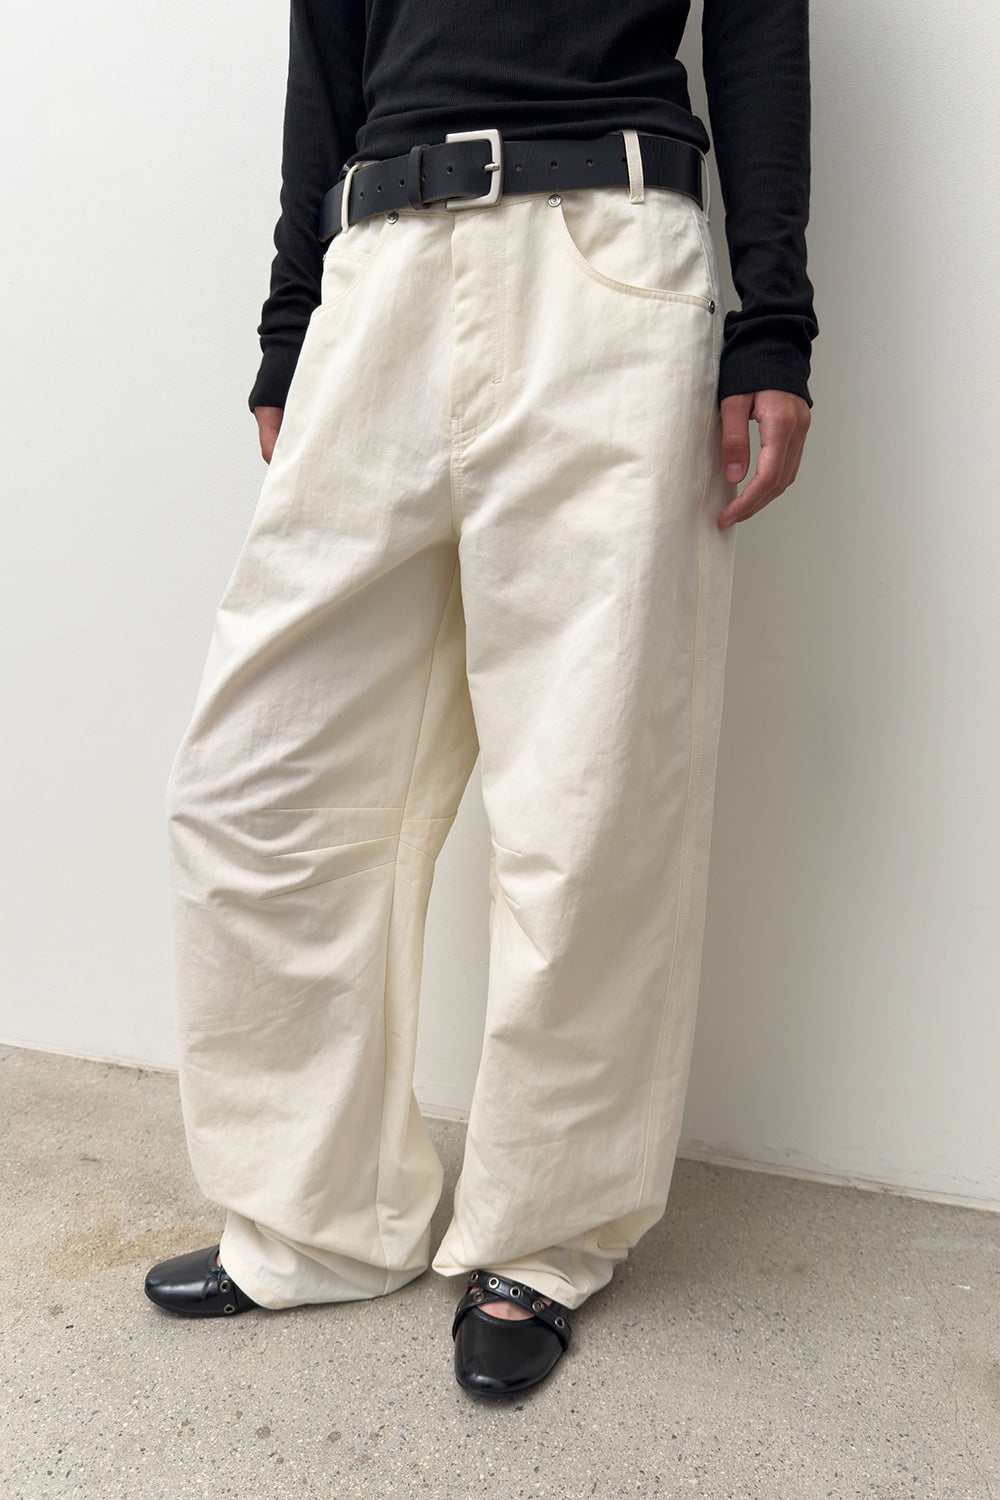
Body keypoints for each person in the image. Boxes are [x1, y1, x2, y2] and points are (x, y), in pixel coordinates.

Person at [144, 0, 817, 1398]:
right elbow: (327, 44)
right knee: (255, 788)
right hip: (380, 260)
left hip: (607, 256)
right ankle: (316, 1219)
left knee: (585, 792)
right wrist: (292, 313)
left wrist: (774, 326)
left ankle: (543, 1237)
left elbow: (759, 27)